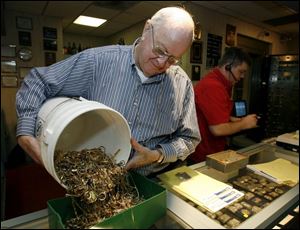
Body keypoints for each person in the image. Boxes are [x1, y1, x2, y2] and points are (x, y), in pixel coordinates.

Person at [15, 7, 201, 176]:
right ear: (147, 29)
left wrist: (157, 155)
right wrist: (26, 133)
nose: (161, 63)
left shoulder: (182, 84)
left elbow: (189, 139)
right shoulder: (97, 62)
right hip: (94, 177)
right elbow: (38, 81)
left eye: (172, 59)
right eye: (159, 50)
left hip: (153, 179)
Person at [188, 47, 258, 164]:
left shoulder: (222, 84)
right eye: (241, 71)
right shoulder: (213, 87)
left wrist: (231, 120)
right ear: (228, 66)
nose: (242, 77)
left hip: (212, 151)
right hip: (203, 156)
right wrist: (244, 123)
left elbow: (211, 114)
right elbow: (218, 129)